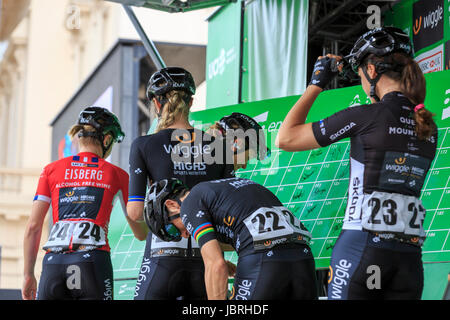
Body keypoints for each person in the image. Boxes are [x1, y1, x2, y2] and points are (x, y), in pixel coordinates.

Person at [276, 27, 438, 300]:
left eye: (361, 72)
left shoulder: (366, 115)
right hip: (408, 257)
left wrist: (317, 84)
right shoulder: (427, 125)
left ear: (372, 70)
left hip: (362, 248)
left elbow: (286, 138)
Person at [127, 67, 236, 300]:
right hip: (206, 259)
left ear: (157, 104)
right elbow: (229, 212)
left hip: (161, 257)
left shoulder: (144, 144)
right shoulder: (219, 145)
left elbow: (135, 212)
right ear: (191, 102)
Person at [22, 106, 140, 300]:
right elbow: (140, 232)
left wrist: (28, 275)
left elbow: (33, 227)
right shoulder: (117, 174)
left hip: (53, 263)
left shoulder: (51, 170)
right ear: (107, 139)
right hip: (92, 261)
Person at [144, 177, 319, 300]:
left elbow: (216, 265)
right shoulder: (225, 187)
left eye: (171, 229)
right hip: (302, 256)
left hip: (263, 258)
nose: (184, 235)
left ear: (172, 204)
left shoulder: (189, 203)